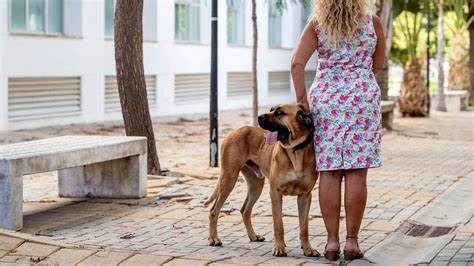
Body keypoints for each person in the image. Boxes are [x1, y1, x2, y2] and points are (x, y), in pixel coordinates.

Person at [290, 0, 386, 261]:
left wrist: (302, 101)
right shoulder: (372, 23)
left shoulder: (317, 24)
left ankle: (332, 242)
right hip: (361, 100)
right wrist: (359, 80)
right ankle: (352, 243)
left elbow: (297, 64)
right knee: (357, 169)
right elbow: (379, 63)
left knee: (329, 170)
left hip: (327, 101)